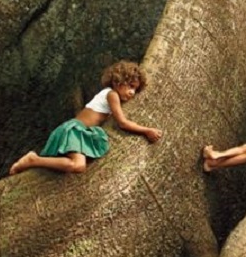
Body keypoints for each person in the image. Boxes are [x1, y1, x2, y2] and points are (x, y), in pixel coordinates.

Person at [9, 60, 163, 175]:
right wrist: (146, 130)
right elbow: (122, 123)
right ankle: (33, 160)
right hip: (73, 130)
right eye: (130, 86)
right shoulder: (112, 94)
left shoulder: (108, 94)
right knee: (78, 166)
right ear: (117, 81)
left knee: (72, 166)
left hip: (75, 130)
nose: (132, 92)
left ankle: (34, 162)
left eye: (135, 89)